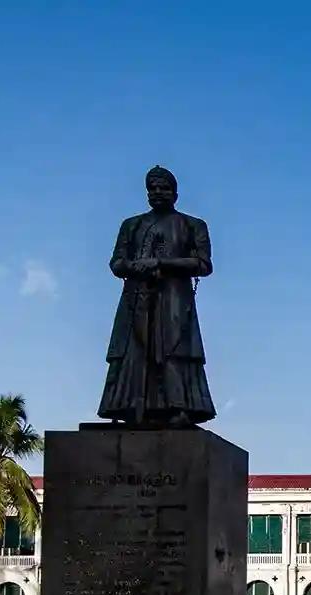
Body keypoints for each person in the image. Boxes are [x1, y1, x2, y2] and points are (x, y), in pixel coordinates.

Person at [97, 165, 217, 426]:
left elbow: (204, 264)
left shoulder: (192, 225)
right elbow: (116, 263)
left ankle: (179, 407)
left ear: (175, 193)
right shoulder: (132, 225)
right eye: (152, 188)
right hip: (136, 297)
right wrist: (133, 267)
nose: (158, 192)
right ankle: (129, 408)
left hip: (174, 299)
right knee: (133, 352)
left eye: (164, 188)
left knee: (175, 350)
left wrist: (161, 263)